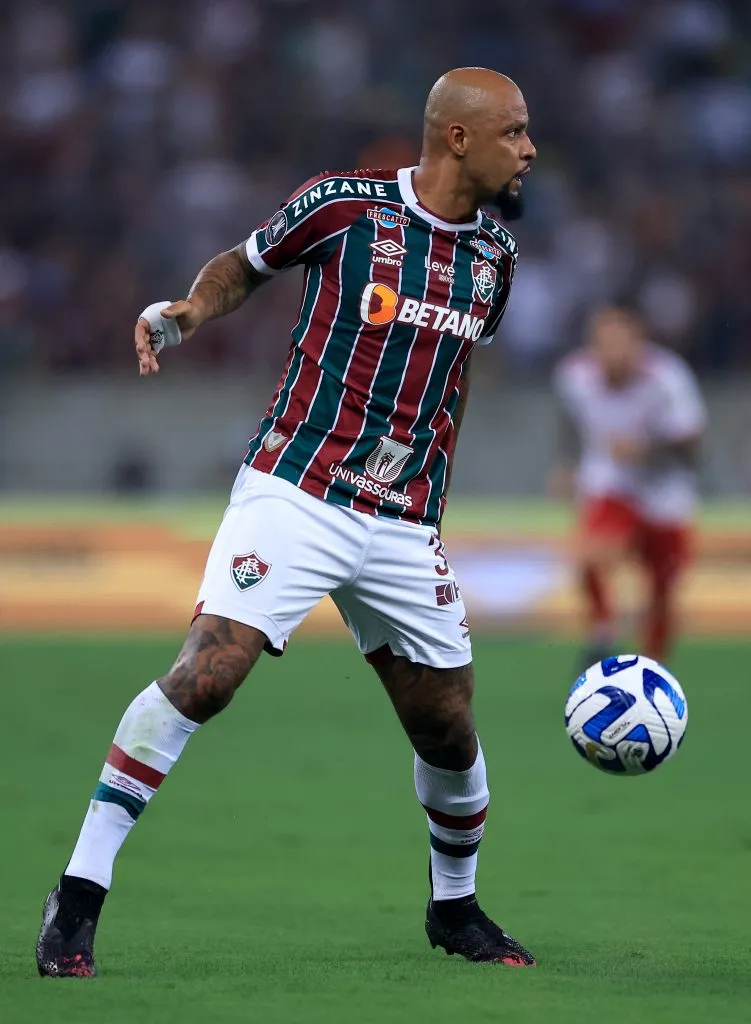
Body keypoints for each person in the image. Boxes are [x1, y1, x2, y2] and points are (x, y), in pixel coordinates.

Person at [36, 67, 537, 976]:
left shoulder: (494, 260)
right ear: (457, 137)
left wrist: (431, 514)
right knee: (208, 673)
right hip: (296, 488)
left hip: (401, 522)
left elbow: (448, 388)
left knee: (448, 727)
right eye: (514, 132)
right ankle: (78, 895)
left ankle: (454, 911)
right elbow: (243, 265)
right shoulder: (342, 207)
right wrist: (190, 310)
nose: (529, 150)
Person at [552, 305, 706, 670]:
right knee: (590, 555)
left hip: (664, 492)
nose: (611, 354)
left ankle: (652, 666)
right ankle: (603, 631)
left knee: (662, 585)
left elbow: (693, 448)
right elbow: (570, 421)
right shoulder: (575, 376)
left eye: (620, 343)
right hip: (611, 481)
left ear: (639, 344)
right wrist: (566, 463)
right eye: (603, 344)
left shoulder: (668, 379)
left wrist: (647, 450)